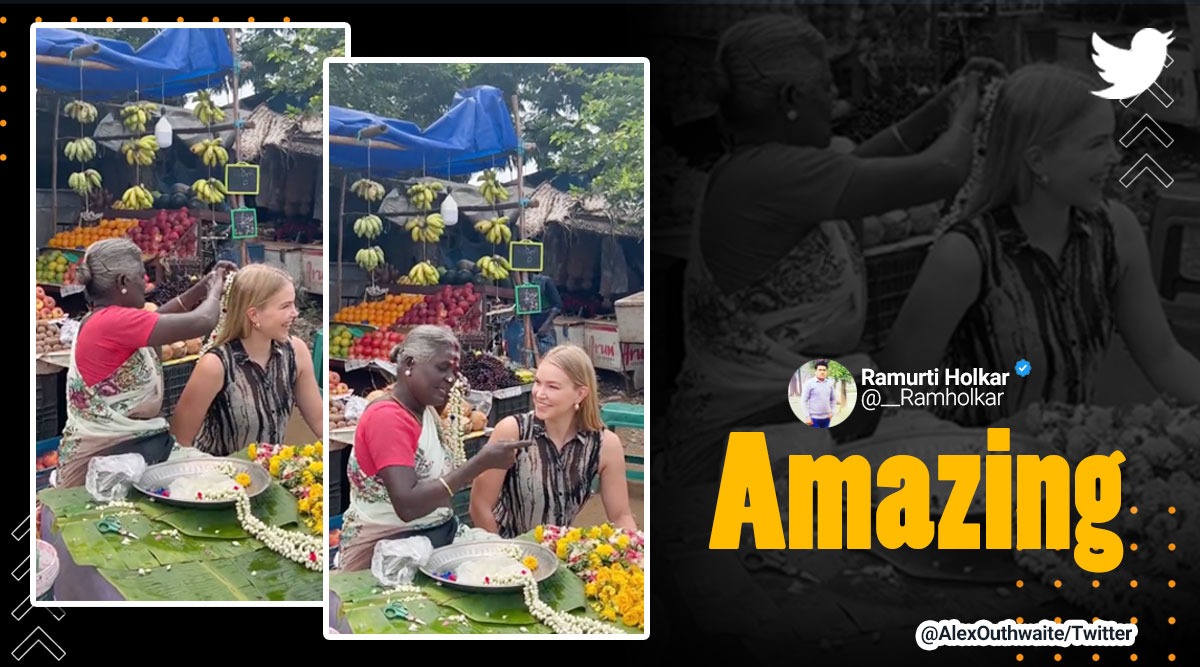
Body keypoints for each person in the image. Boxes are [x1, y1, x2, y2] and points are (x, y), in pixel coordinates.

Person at [663, 14, 999, 485]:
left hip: (764, 423)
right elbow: (943, 170)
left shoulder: (766, 171)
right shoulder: (768, 175)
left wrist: (944, 104)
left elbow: (868, 159)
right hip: (738, 449)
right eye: (826, 85)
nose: (836, 99)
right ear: (790, 99)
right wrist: (967, 110)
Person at [879, 64, 1200, 426]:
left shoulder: (1115, 230)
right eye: (1096, 144)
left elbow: (1163, 356)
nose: (1115, 156)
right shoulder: (966, 255)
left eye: (1112, 139)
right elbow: (896, 392)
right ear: (1037, 160)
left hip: (1071, 464)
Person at [336, 325, 532, 571]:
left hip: (434, 538)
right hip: (387, 554)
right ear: (409, 364)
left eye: (455, 371)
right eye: (442, 368)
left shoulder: (425, 409)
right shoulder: (387, 418)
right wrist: (480, 463)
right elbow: (407, 506)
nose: (451, 379)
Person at [56, 239, 234, 488]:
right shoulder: (110, 323)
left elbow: (161, 317)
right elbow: (203, 320)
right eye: (142, 275)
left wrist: (202, 287)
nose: (145, 282)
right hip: (104, 461)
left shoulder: (104, 320)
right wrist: (217, 288)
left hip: (121, 454)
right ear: (123, 283)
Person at [470, 344, 638, 538]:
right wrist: (504, 557)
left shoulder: (604, 445)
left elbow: (620, 516)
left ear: (580, 394)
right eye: (538, 382)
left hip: (558, 554)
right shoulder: (513, 432)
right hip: (509, 550)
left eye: (552, 386)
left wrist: (635, 553)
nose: (539, 393)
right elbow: (480, 505)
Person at [170, 264, 323, 456]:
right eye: (285, 306)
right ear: (254, 315)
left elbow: (319, 420)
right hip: (223, 480)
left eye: (293, 304)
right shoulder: (216, 365)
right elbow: (180, 439)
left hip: (272, 477)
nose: (295, 313)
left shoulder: (296, 352)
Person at [505, 273, 563, 364]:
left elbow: (558, 306)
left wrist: (545, 325)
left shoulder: (545, 282)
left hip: (544, 330)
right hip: (525, 329)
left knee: (548, 361)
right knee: (524, 363)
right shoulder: (515, 282)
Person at [800, 360, 837, 428]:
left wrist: (832, 412)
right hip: (813, 418)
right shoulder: (809, 383)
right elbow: (803, 400)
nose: (822, 372)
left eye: (824, 370)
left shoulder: (830, 384)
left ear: (826, 372)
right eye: (820, 370)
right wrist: (807, 416)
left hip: (827, 418)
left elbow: (833, 399)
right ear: (815, 371)